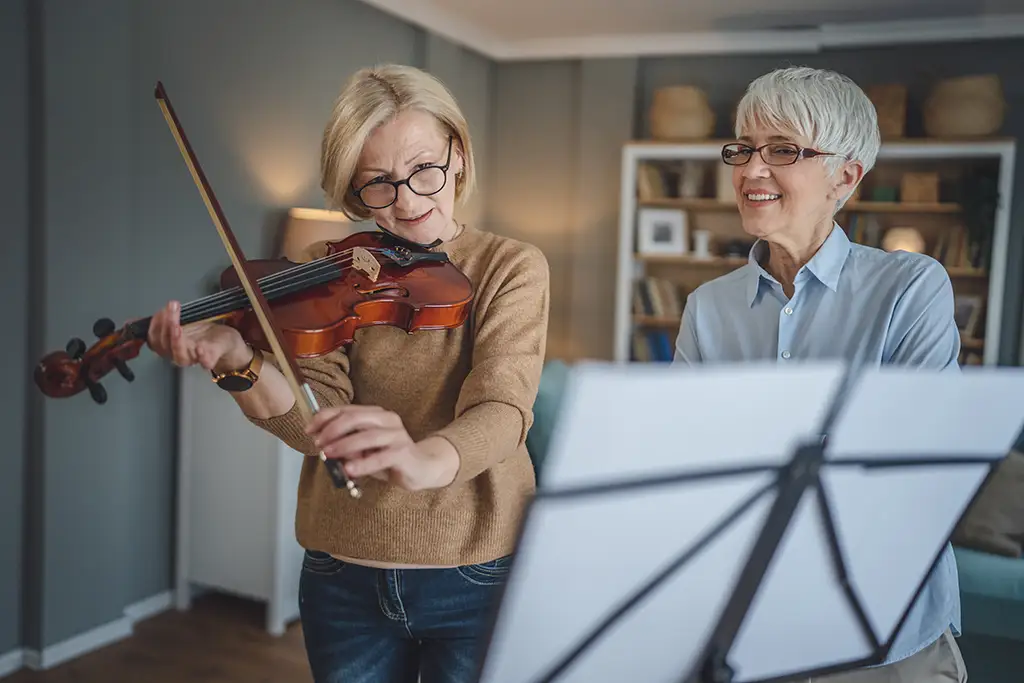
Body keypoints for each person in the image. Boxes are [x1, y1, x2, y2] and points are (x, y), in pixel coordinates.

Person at [147, 64, 550, 683]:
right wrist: (238, 364)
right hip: (343, 572)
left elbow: (503, 408)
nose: (409, 201)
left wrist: (425, 460)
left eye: (424, 169)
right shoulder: (326, 271)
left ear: (459, 155)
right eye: (378, 184)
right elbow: (316, 418)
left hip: (475, 566)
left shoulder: (510, 266)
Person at [674, 66, 967, 682]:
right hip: (751, 626)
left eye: (784, 150)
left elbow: (911, 468)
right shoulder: (708, 306)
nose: (753, 170)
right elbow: (687, 463)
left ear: (846, 175)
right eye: (744, 149)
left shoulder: (910, 288)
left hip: (886, 634)